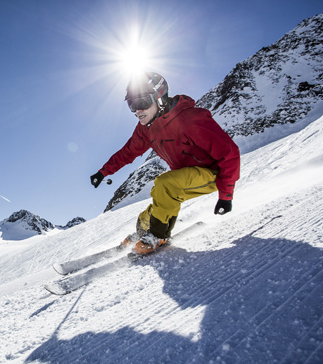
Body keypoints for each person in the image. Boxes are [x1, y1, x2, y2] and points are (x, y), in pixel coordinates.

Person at [90, 72, 240, 255]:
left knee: (165, 184)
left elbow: (229, 153)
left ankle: (158, 235)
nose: (137, 110)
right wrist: (103, 172)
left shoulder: (190, 119)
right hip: (184, 176)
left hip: (213, 173)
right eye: (132, 104)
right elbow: (128, 152)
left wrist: (226, 196)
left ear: (159, 98)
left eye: (142, 103)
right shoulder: (146, 128)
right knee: (148, 213)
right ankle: (144, 232)